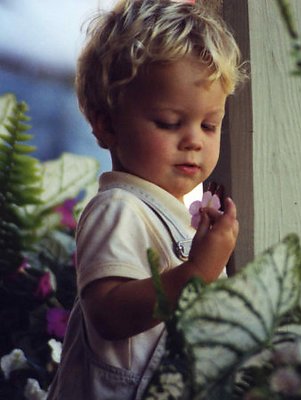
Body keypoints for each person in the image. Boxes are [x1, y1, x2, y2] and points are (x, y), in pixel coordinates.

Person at [48, 0, 246, 398]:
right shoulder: (118, 208)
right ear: (107, 125)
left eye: (209, 125)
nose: (193, 140)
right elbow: (107, 312)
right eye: (170, 122)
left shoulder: (167, 213)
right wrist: (197, 272)